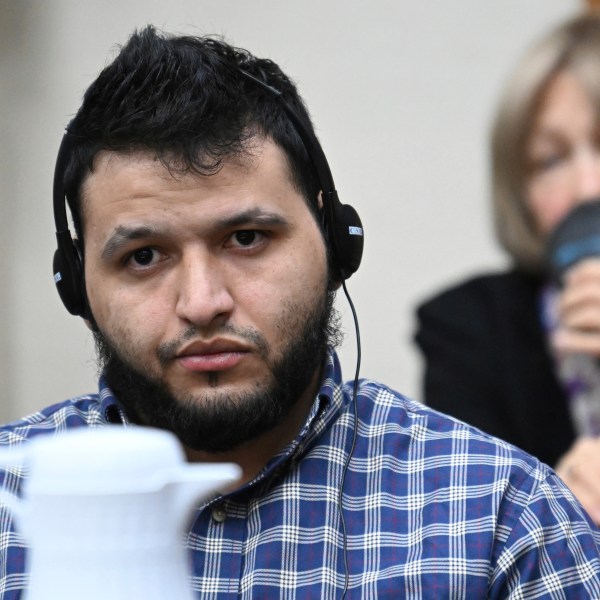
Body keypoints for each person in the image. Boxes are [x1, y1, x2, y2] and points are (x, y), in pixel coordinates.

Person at [1, 25, 600, 599]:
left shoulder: (503, 516)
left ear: (335, 242)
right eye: (144, 256)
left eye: (246, 239)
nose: (203, 303)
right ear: (76, 285)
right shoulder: (9, 500)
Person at [415, 13, 600, 526]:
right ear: (521, 194)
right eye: (549, 161)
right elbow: (469, 536)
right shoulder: (467, 328)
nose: (588, 187)